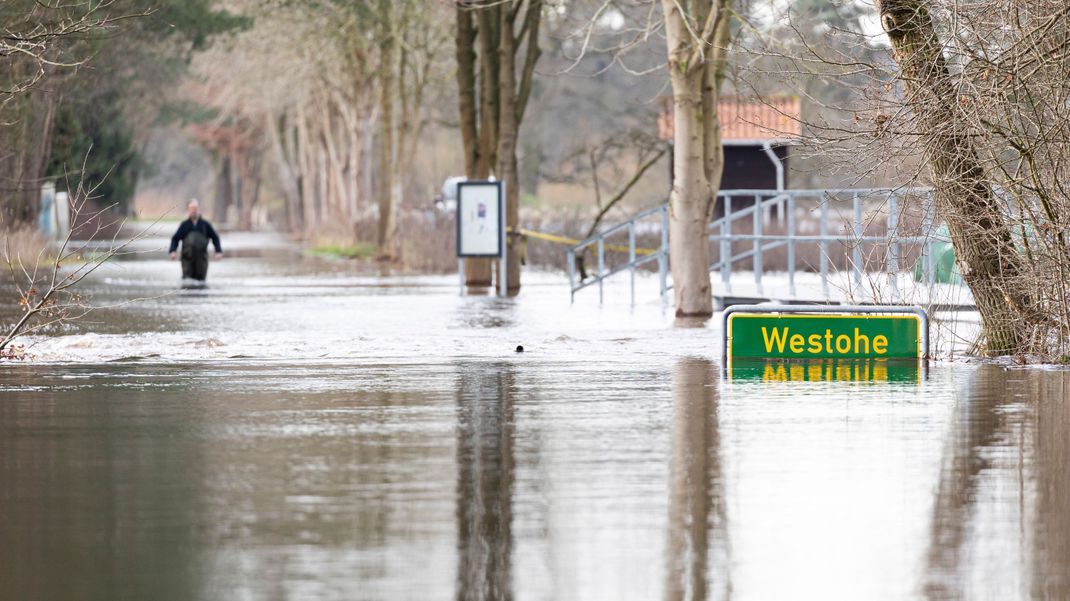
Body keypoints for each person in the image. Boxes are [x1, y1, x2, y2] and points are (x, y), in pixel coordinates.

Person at [169, 199, 222, 281]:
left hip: (202, 260)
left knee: (201, 282)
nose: (194, 210)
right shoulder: (184, 225)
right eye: (191, 208)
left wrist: (218, 251)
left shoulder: (205, 224)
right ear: (188, 210)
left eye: (195, 208)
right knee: (188, 281)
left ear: (199, 209)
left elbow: (215, 238)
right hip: (187, 260)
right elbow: (175, 238)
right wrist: (173, 251)